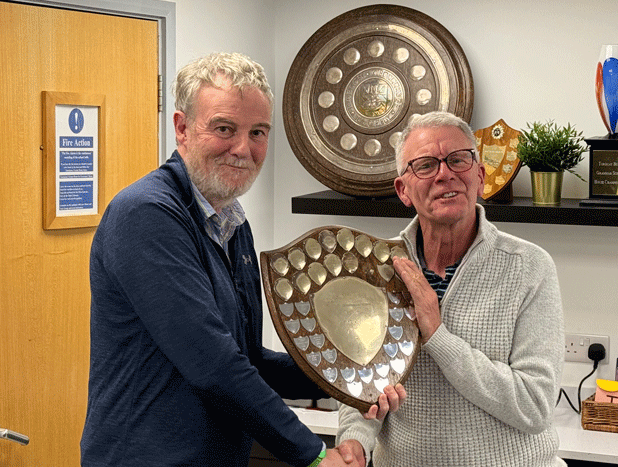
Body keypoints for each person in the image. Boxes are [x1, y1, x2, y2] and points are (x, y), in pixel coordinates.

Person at [80, 52, 404, 467]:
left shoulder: (231, 223)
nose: (243, 148)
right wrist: (315, 456)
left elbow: (248, 360)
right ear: (182, 128)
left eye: (258, 132)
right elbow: (212, 364)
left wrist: (354, 377)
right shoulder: (147, 215)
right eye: (224, 128)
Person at [336, 111, 566, 467]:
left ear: (480, 177)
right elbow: (364, 384)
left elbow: (535, 406)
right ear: (403, 190)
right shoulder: (378, 270)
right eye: (426, 165)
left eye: (458, 159)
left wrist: (438, 335)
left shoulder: (529, 267)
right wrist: (354, 442)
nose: (445, 173)